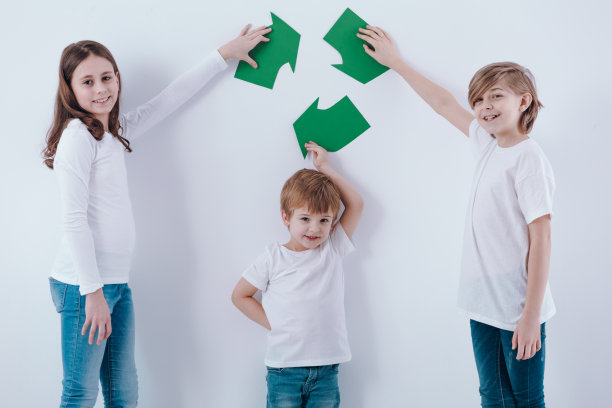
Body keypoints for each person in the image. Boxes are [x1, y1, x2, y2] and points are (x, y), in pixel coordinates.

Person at [43, 24, 271, 408]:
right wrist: (92, 291)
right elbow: (73, 220)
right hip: (84, 287)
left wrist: (224, 54)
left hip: (116, 282)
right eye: (87, 82)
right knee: (80, 392)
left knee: (124, 391)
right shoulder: (77, 138)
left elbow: (168, 99)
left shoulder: (112, 131)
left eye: (106, 77)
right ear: (70, 89)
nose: (101, 89)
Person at [357, 26, 555, 407]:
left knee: (527, 398)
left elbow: (542, 237)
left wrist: (530, 316)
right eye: (479, 100)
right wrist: (395, 63)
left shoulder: (529, 158)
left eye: (496, 96)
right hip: (483, 302)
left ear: (524, 101)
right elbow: (444, 103)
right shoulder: (487, 145)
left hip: (518, 304)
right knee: (492, 395)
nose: (485, 106)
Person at [232, 142, 363, 408]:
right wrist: (275, 323)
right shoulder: (273, 257)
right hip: (284, 370)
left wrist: (326, 168)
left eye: (324, 220)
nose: (314, 228)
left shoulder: (332, 247)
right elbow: (240, 295)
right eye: (305, 219)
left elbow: (357, 205)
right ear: (286, 218)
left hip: (326, 370)